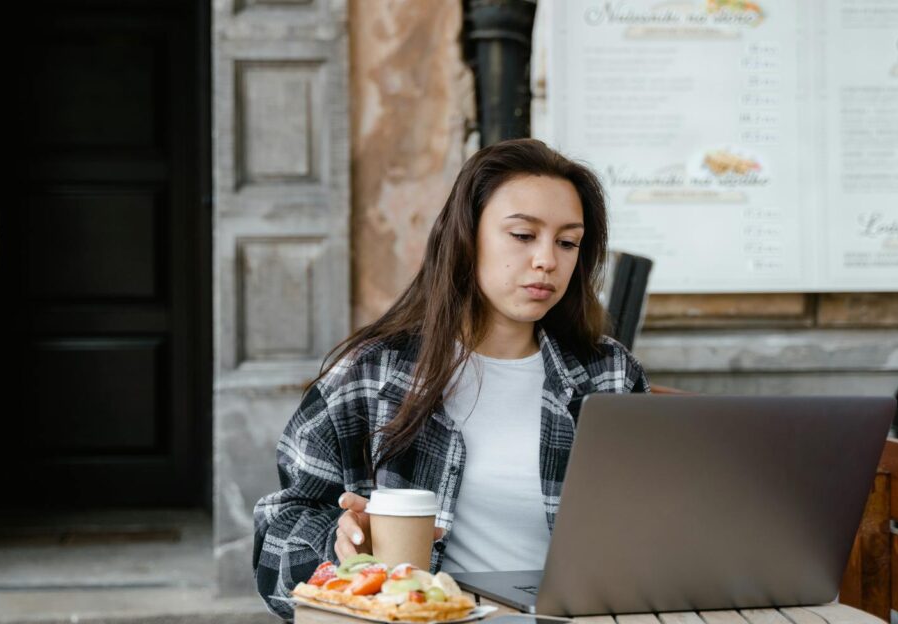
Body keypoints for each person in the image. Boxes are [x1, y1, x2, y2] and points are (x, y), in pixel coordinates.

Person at [252, 138, 650, 619]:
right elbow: (276, 536)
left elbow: (648, 535)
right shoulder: (373, 373)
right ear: (466, 236)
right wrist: (343, 550)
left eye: (568, 242)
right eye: (523, 236)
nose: (548, 259)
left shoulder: (608, 375)